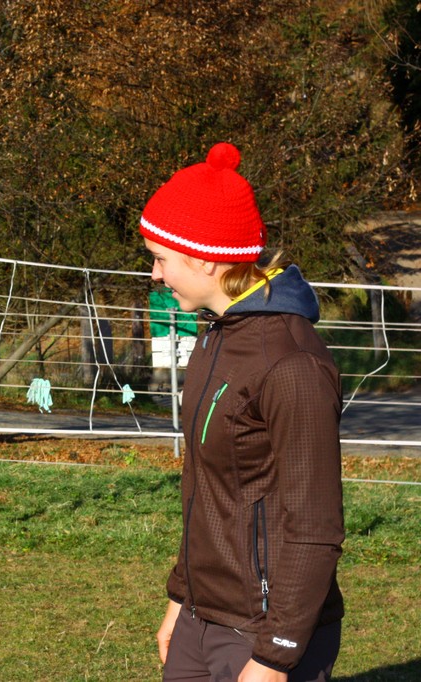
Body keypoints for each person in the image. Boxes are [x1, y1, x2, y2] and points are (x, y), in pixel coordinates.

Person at [140, 142, 345, 682]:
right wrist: (181, 600)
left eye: (161, 258)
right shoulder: (217, 337)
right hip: (201, 618)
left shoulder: (290, 363)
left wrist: (274, 656)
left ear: (205, 258)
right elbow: (206, 487)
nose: (155, 275)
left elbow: (316, 526)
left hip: (263, 634)